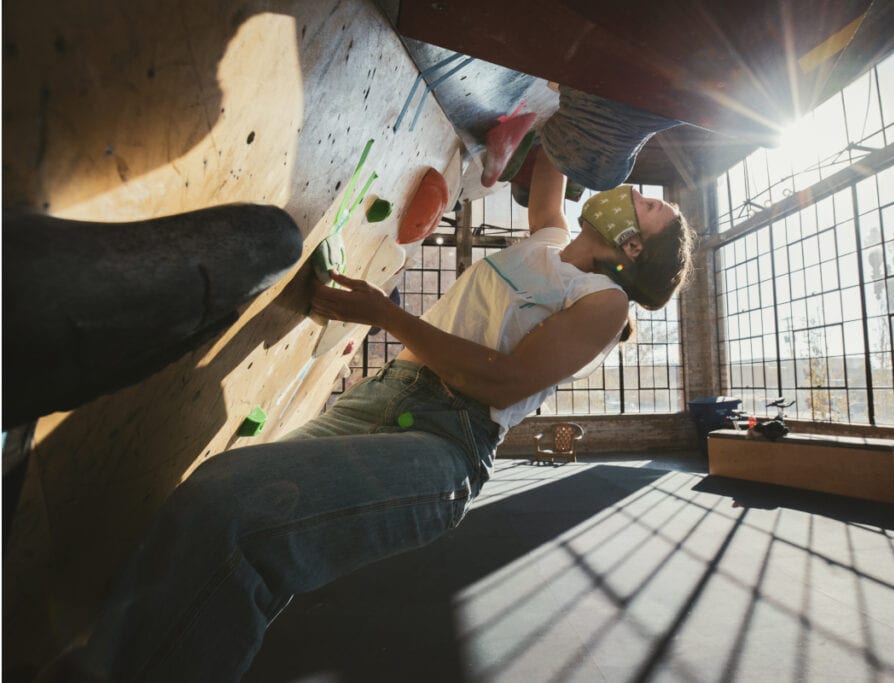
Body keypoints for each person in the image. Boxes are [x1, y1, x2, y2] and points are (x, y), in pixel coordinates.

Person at [50, 146, 694, 682]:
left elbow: (501, 382)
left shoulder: (606, 303)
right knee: (230, 523)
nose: (635, 190)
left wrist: (385, 314)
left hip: (446, 442)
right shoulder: (553, 238)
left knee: (231, 511)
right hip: (384, 397)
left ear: (632, 247)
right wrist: (586, 117)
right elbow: (562, 156)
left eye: (647, 205)